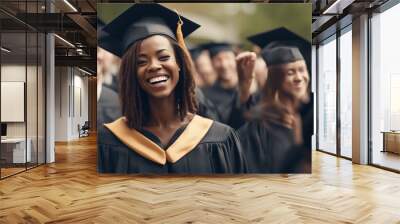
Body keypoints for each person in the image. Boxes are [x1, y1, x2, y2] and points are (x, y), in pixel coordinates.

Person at [97, 3, 247, 174]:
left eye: (164, 57)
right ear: (130, 73)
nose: (154, 66)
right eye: (141, 62)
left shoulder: (220, 137)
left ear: (179, 63)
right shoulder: (107, 141)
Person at [238, 29, 312, 173]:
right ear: (274, 79)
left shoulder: (306, 117)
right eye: (290, 72)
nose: (299, 77)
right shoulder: (258, 126)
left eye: (302, 70)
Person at [201, 42, 256, 129]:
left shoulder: (254, 90)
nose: (224, 65)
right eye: (218, 59)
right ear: (212, 63)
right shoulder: (206, 96)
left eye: (227, 58)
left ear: (235, 59)